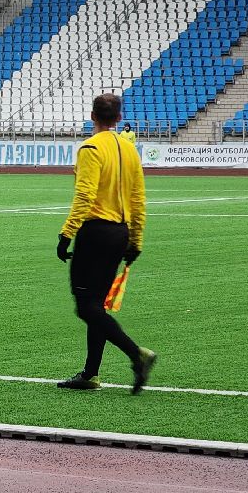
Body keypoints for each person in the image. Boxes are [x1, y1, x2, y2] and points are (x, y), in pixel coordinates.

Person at [55, 93, 156, 394]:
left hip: (96, 232)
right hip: (120, 233)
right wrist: (135, 239)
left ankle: (137, 354)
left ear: (92, 116)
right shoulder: (129, 149)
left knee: (86, 307)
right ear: (119, 118)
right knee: (96, 305)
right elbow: (138, 199)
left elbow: (85, 196)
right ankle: (91, 374)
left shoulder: (90, 148)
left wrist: (66, 233)